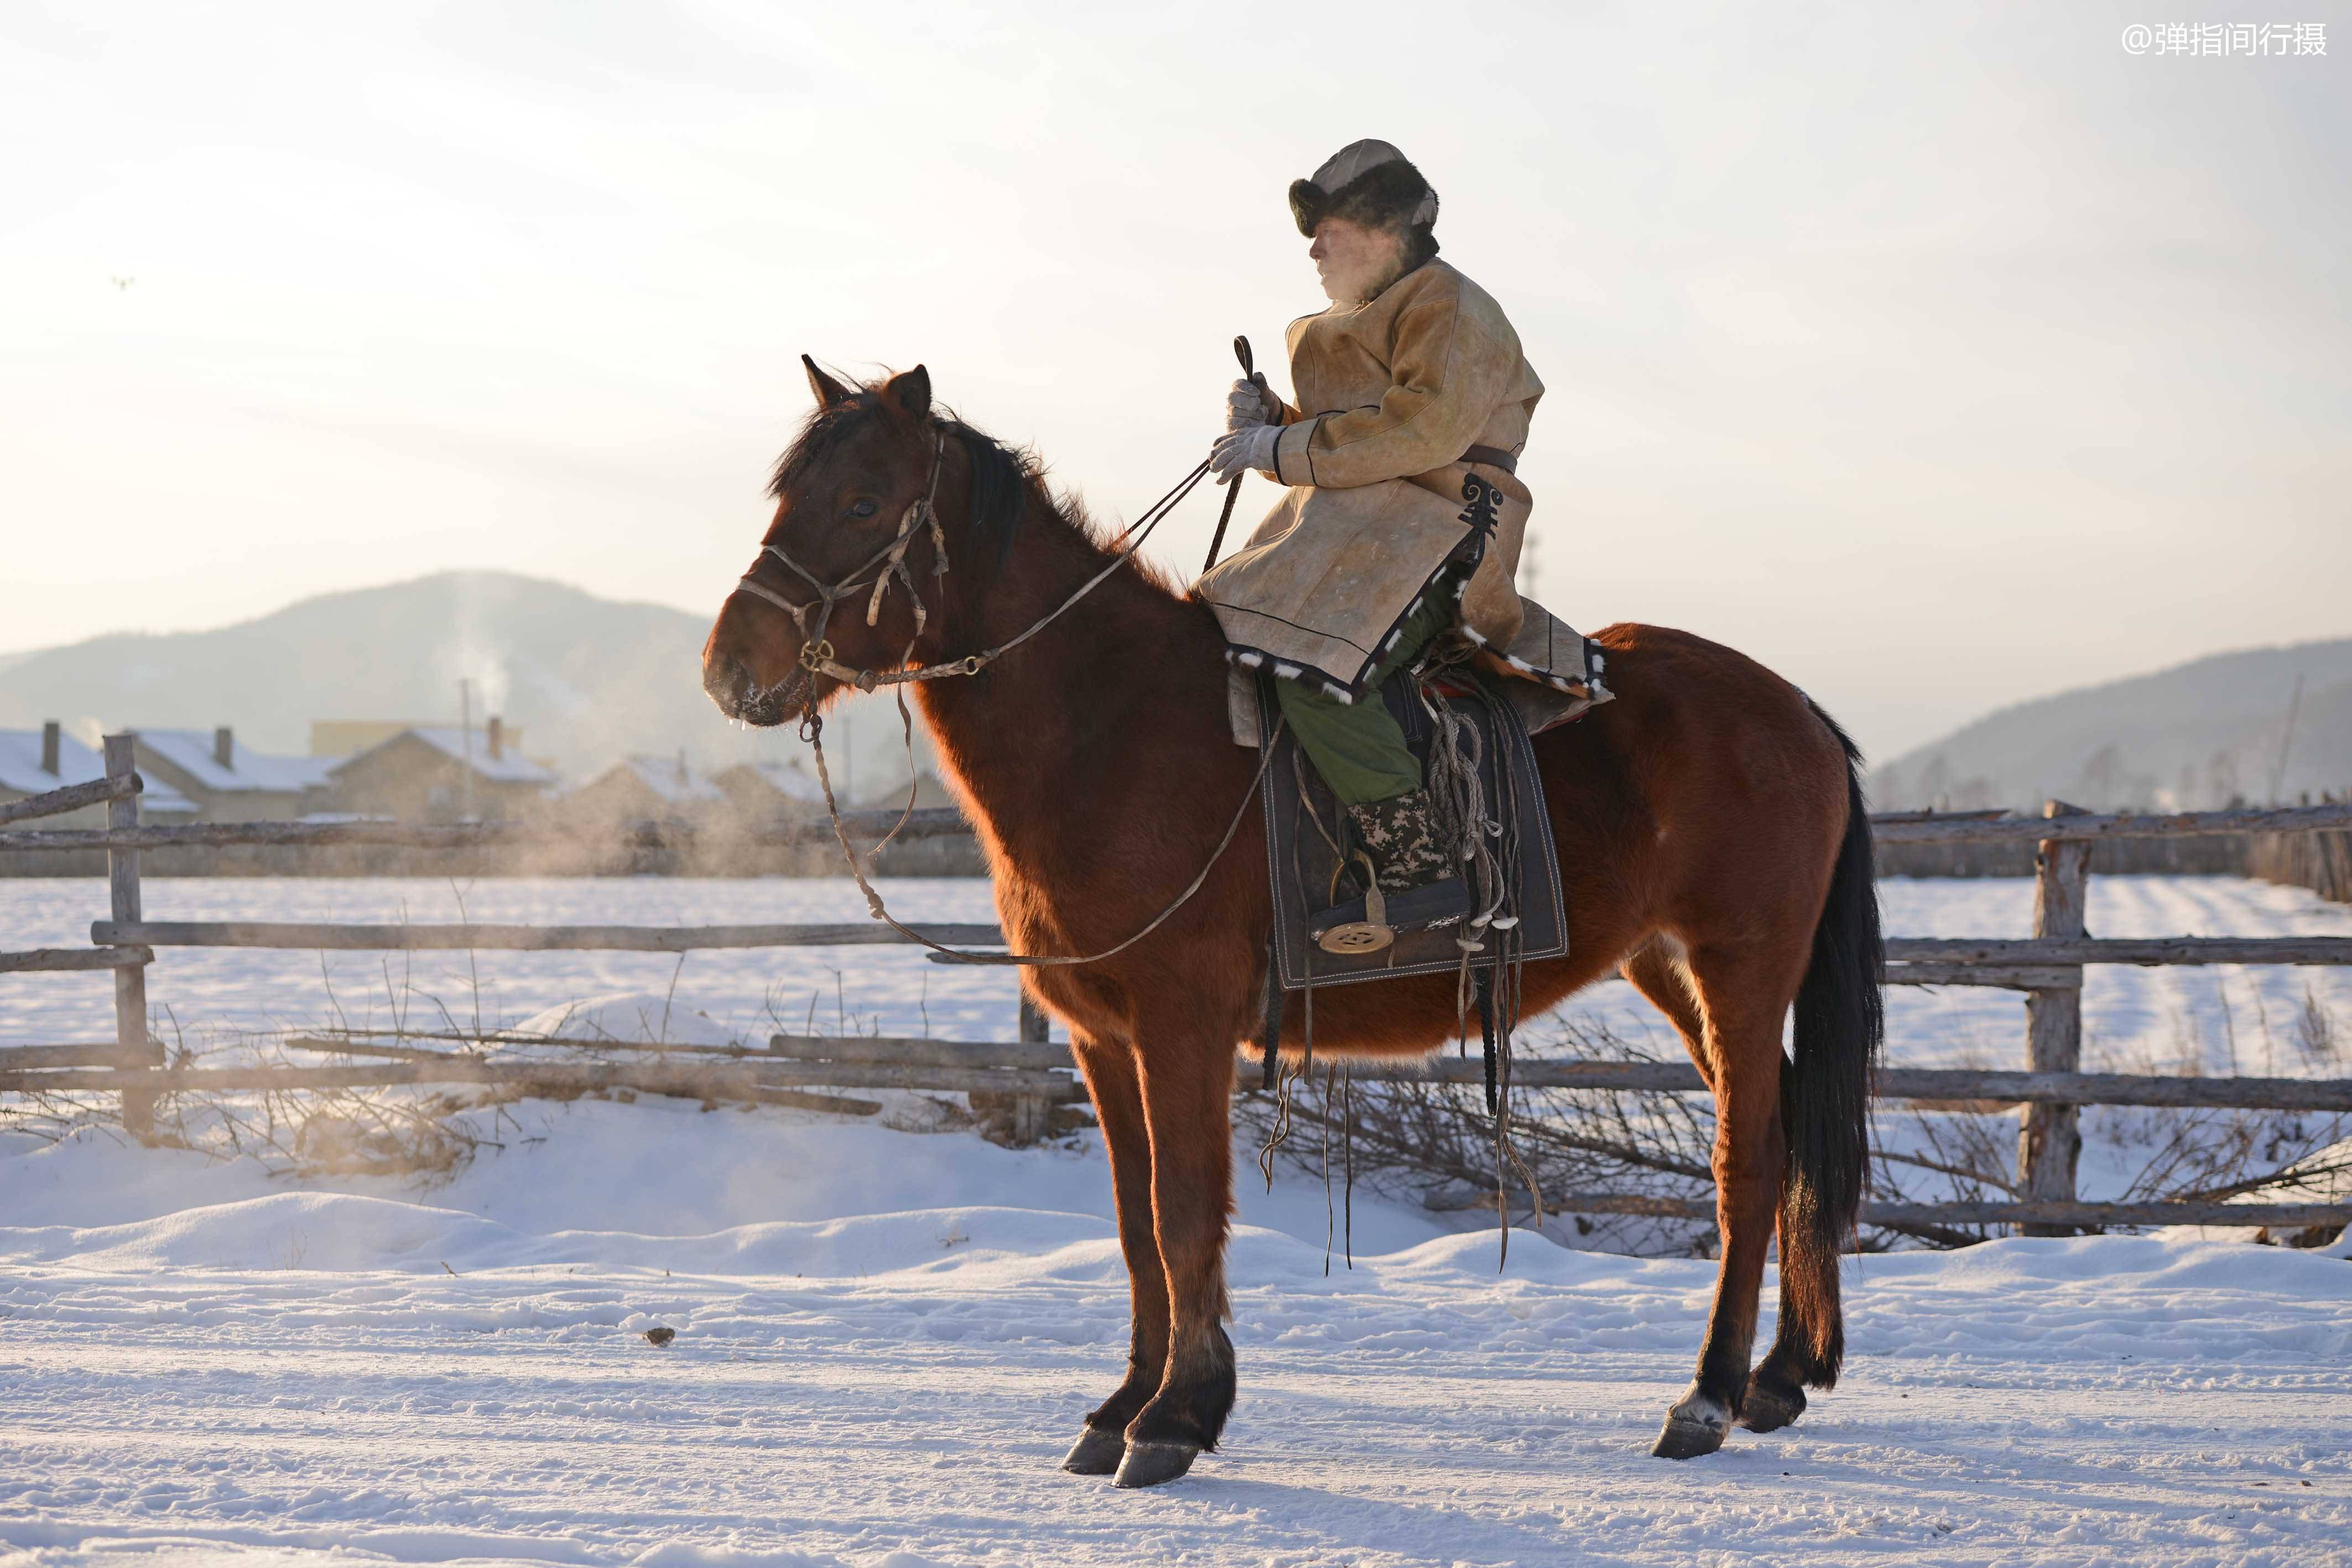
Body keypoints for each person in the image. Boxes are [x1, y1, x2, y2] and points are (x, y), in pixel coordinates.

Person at [1196, 140, 1548, 916]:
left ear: (1382, 229)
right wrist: (1276, 423)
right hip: (1350, 531)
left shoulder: (1451, 307)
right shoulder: (1356, 317)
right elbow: (1348, 435)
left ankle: (1420, 869)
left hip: (1443, 526)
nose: (1315, 248)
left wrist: (1281, 446)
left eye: (1329, 229)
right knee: (1210, 627)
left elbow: (1421, 432)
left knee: (1315, 666)